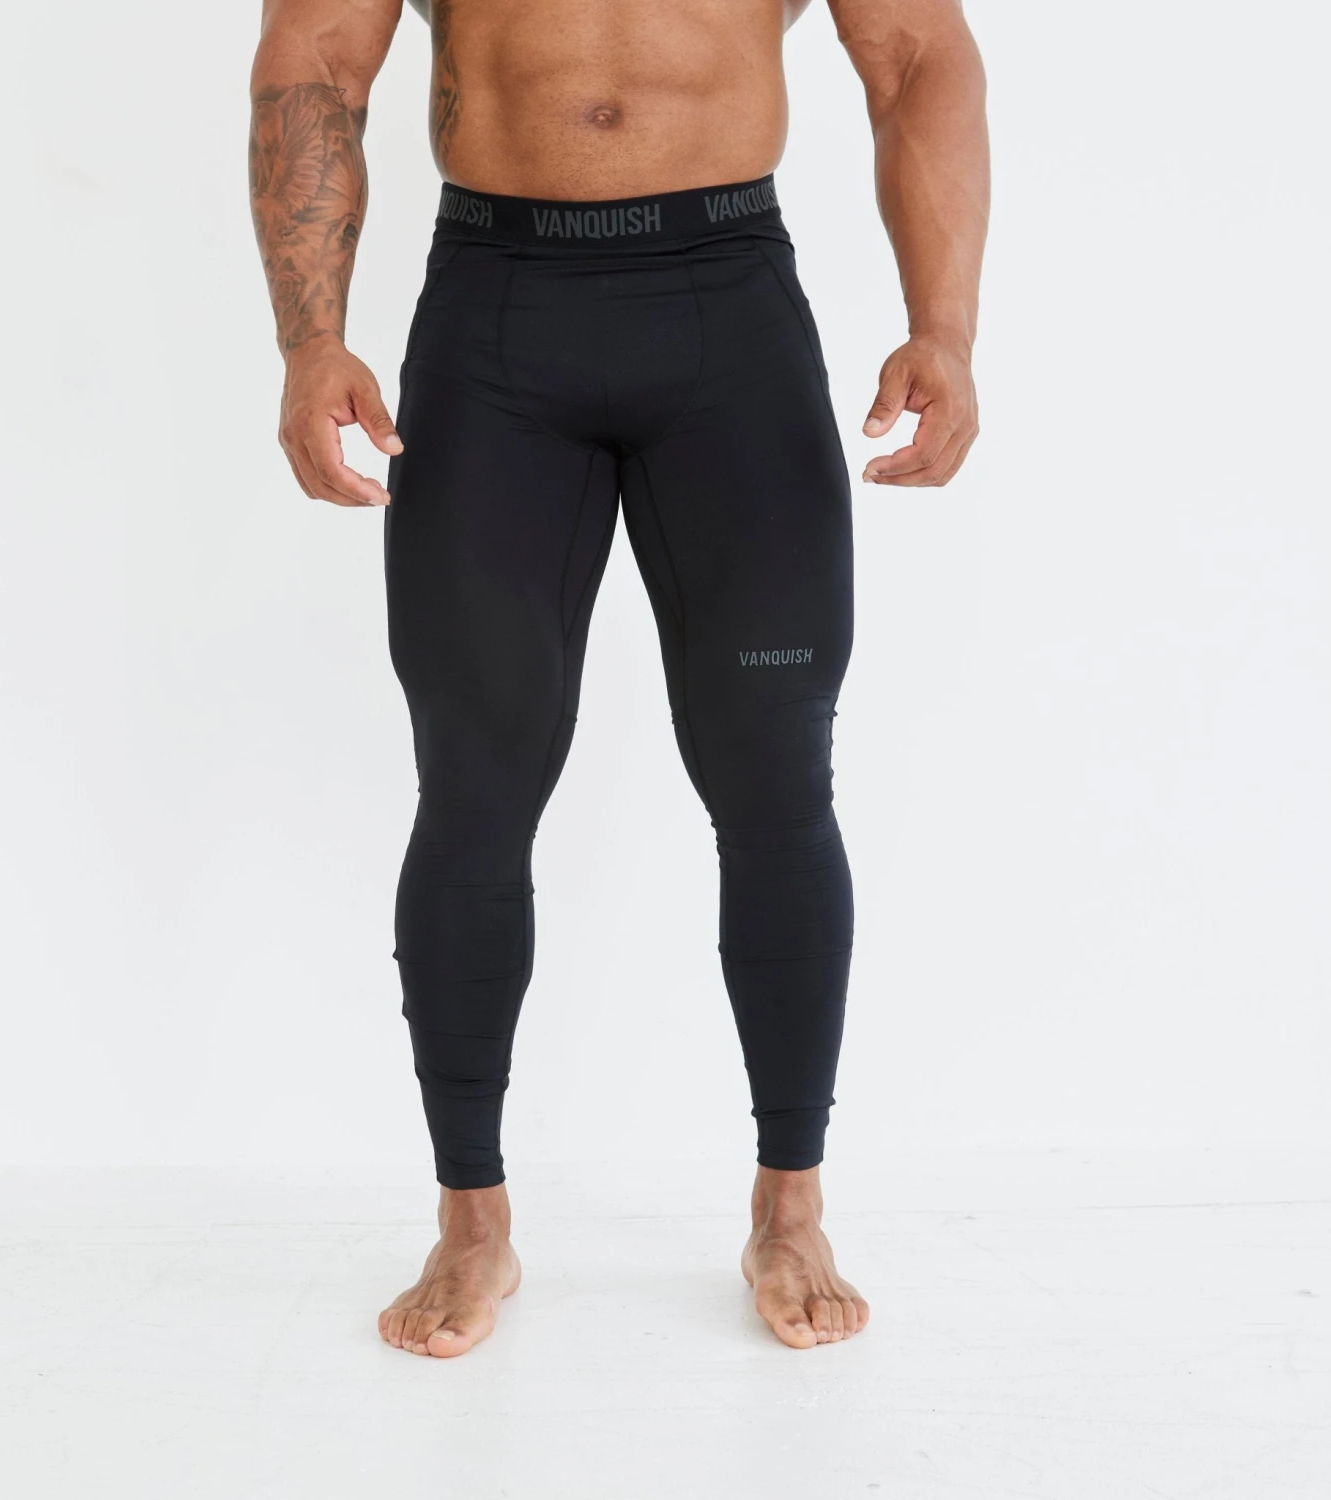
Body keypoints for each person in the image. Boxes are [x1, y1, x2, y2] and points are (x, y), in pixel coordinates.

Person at [249, 0, 988, 1357]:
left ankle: (791, 1208)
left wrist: (944, 326)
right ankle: (472, 1222)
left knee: (775, 774)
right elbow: (318, 60)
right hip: (497, 312)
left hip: (729, 312)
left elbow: (916, 54)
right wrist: (310, 341)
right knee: (473, 785)